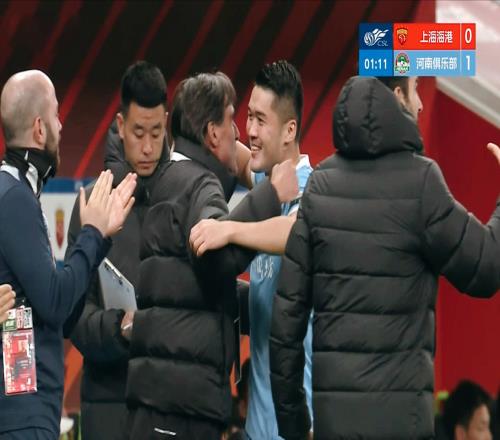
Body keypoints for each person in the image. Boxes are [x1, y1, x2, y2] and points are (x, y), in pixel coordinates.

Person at [269, 75, 500, 439]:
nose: (420, 102)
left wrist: (294, 425)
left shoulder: (319, 187)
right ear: (397, 97)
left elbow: (286, 322)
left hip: (335, 427)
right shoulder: (422, 182)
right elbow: (486, 269)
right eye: (416, 88)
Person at [125, 71, 298, 440]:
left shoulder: (168, 176)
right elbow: (215, 260)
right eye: (233, 120)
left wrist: (260, 297)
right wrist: (270, 196)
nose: (240, 133)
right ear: (212, 133)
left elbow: (188, 284)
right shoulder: (201, 184)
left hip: (157, 398)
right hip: (184, 406)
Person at [0, 70, 136, 439]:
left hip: (27, 412)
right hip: (22, 417)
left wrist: (99, 238)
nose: (61, 126)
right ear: (39, 129)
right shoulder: (14, 198)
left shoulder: (16, 194)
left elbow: (57, 312)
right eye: (56, 115)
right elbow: (55, 303)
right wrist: (93, 233)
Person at [189, 60, 313, 440]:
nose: (251, 131)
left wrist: (228, 229)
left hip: (300, 426)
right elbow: (230, 147)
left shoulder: (316, 190)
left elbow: (294, 232)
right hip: (257, 428)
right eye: (248, 117)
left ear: (290, 130)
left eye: (261, 120)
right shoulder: (266, 182)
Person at [65, 61, 169, 440]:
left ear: (167, 124)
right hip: (108, 406)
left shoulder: (185, 199)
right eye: (138, 132)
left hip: (169, 405)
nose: (147, 147)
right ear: (121, 125)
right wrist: (120, 328)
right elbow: (73, 315)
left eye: (156, 133)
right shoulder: (92, 204)